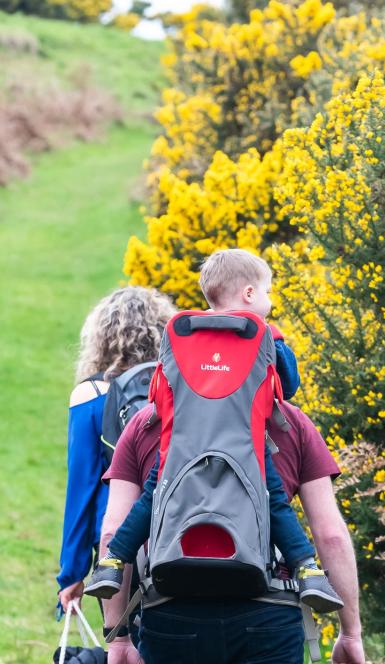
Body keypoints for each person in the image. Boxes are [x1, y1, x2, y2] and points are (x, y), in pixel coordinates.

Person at [84, 249, 342, 612]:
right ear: (250, 294)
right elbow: (288, 385)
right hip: (246, 444)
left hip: (182, 444)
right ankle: (308, 569)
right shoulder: (264, 336)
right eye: (267, 292)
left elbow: (162, 387)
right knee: (274, 500)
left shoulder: (183, 337)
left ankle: (111, 565)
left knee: (153, 495)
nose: (269, 301)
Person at [99, 400, 366, 664]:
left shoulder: (147, 423)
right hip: (270, 614)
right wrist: (350, 634)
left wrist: (118, 636)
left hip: (172, 613)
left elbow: (112, 533)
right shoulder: (289, 423)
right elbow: (331, 535)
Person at [56, 286, 176, 611]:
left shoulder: (91, 394)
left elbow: (81, 489)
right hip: (175, 528)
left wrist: (72, 573)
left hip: (115, 543)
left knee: (123, 644)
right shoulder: (178, 388)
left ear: (101, 336)